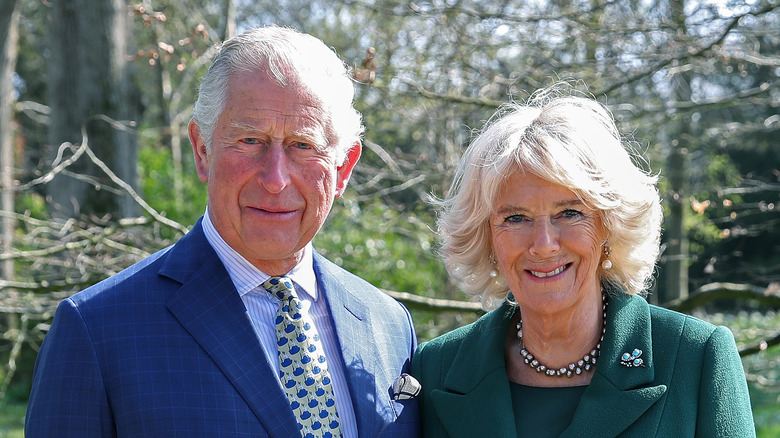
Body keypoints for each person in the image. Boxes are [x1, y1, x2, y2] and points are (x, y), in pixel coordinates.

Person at [26, 26, 419, 438]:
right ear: (202, 150)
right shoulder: (97, 330)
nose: (275, 179)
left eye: (303, 145)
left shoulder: (388, 325)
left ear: (342, 168)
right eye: (250, 140)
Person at [411, 85, 755, 437]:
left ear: (610, 226)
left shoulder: (695, 359)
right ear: (485, 237)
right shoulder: (436, 369)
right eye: (516, 218)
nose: (543, 245)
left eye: (570, 213)